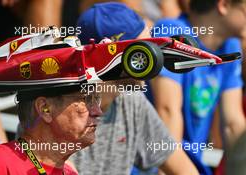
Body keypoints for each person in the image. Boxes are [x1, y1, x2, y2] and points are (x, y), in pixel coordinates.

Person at [71, 2, 199, 175]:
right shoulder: (65, 111)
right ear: (110, 55)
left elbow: (185, 170)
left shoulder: (132, 101)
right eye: (146, 49)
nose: (156, 60)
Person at [146, 0, 246, 174]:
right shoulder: (172, 33)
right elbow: (168, 111)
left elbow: (233, 124)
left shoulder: (231, 47)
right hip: (153, 166)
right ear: (223, 5)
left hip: (192, 165)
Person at [0, 81, 103, 174]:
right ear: (45, 109)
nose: (98, 112)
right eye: (85, 99)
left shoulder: (70, 172)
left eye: (96, 100)